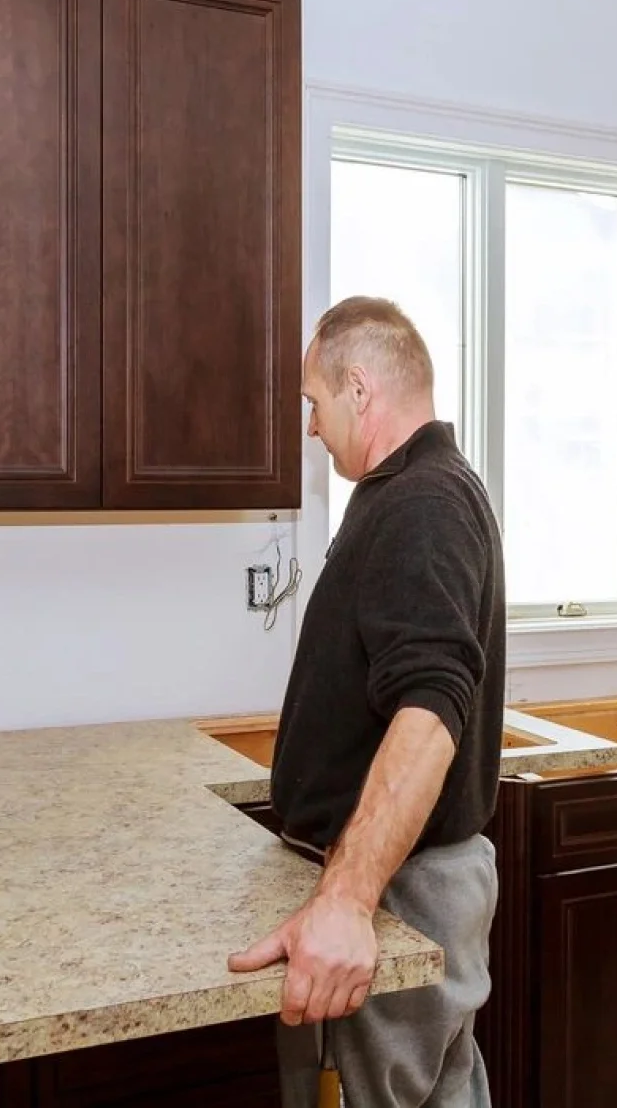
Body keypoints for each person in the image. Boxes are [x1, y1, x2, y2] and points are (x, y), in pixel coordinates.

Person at [227, 296, 506, 1107]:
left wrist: (348, 902)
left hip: (401, 886)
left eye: (313, 403)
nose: (310, 427)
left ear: (359, 387)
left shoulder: (422, 503)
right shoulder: (408, 492)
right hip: (404, 877)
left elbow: (430, 707)